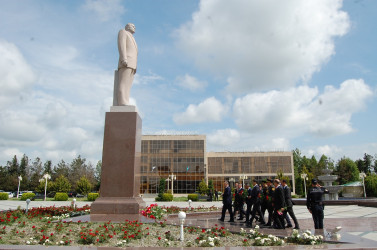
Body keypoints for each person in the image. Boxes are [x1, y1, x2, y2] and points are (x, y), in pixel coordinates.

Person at [116, 23, 138, 105]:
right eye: (132, 25)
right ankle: (122, 101)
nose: (134, 27)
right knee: (123, 83)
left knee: (128, 85)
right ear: (127, 26)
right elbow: (121, 45)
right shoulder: (123, 32)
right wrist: (123, 58)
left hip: (133, 64)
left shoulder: (133, 38)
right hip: (126, 61)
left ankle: (126, 100)